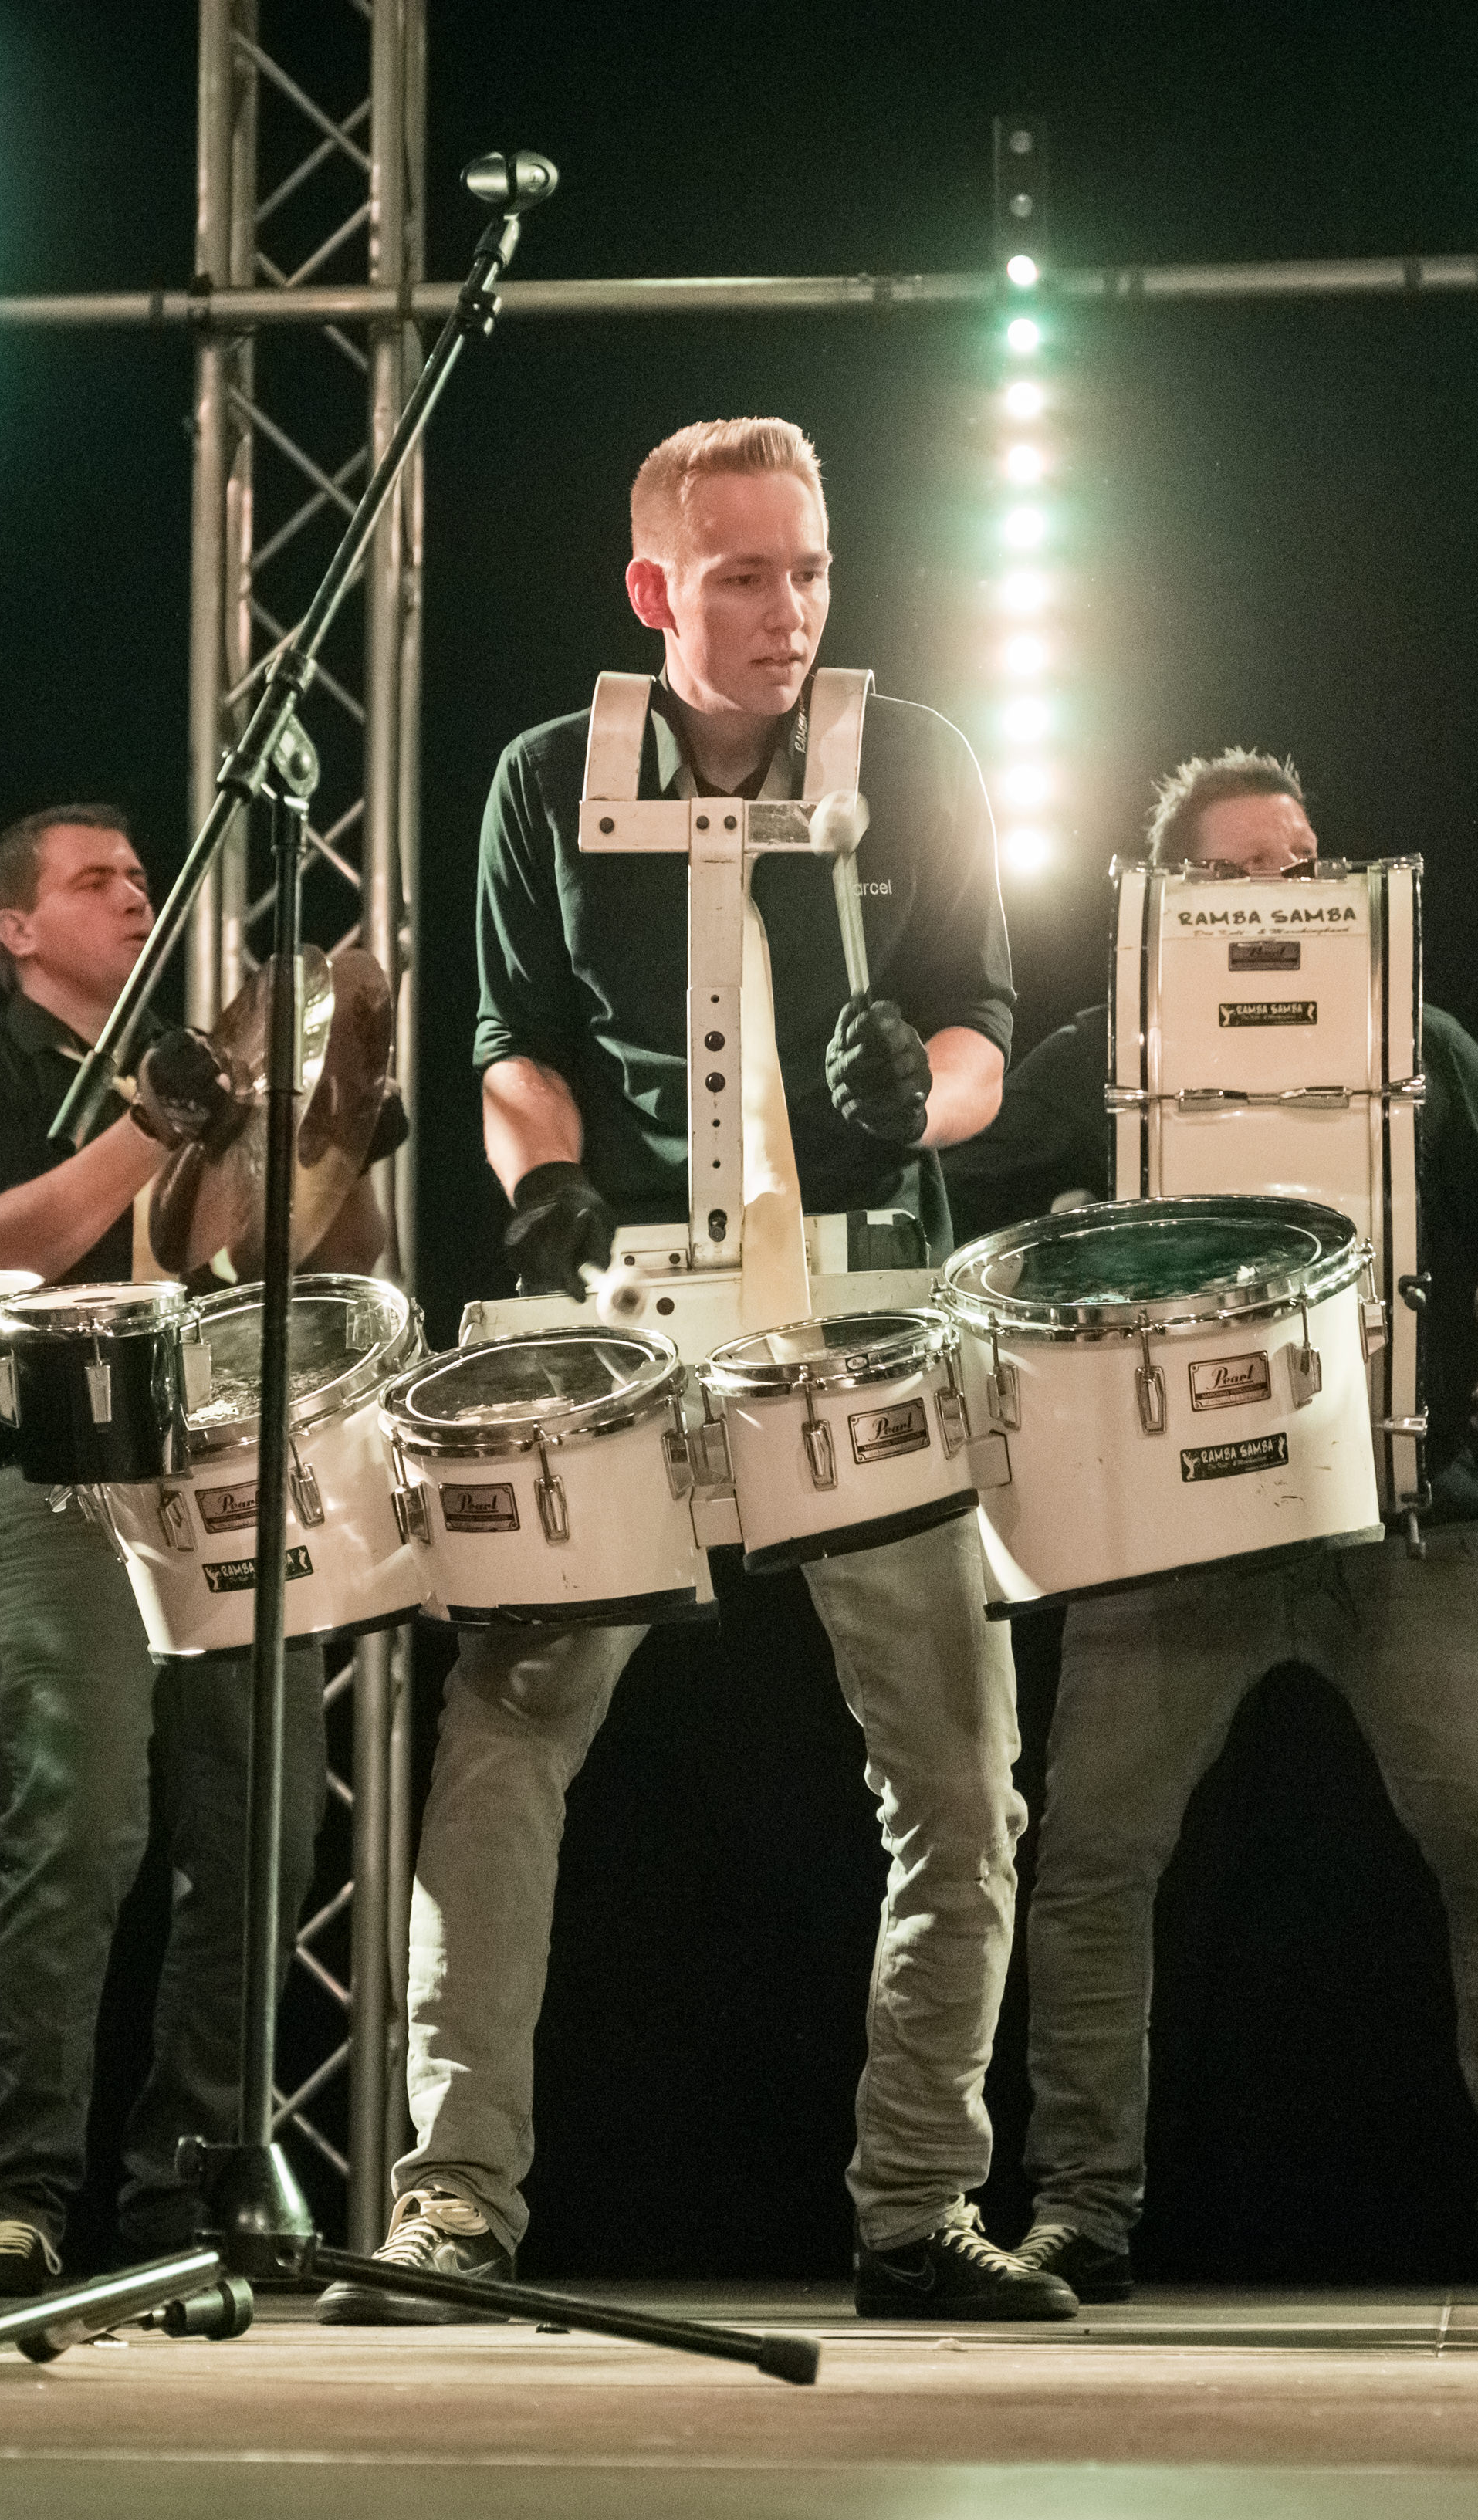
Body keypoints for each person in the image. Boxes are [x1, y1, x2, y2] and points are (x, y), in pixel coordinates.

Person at [324, 414, 1067, 2322]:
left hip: (861, 1297)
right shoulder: (542, 776)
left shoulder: (915, 758)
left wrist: (917, 1096)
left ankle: (917, 2203)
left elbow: (983, 1034)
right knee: (505, 1735)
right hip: (631, 1307)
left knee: (958, 1776)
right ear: (653, 588)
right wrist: (545, 1179)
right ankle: (453, 2201)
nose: (787, 609)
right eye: (743, 574)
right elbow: (510, 1035)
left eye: (808, 568)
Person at [949, 749, 1478, 2308]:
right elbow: (954, 1162)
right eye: (1246, 867)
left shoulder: (1416, 1040)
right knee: (1091, 1865)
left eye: (1307, 861)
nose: (1288, 890)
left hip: (1404, 1520)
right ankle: (1079, 2206)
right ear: (1171, 894)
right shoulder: (1110, 1048)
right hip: (1164, 1536)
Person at [0, 803, 327, 2295]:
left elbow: (327, 1255)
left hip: (224, 1468)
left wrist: (334, 1138)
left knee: (261, 1833)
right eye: (96, 880)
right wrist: (154, 1122)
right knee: (77, 1830)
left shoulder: (210, 1075)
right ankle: (15, 2192)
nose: (136, 896)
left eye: (140, 876)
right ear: (15, 929)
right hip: (56, 1474)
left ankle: (187, 2191)